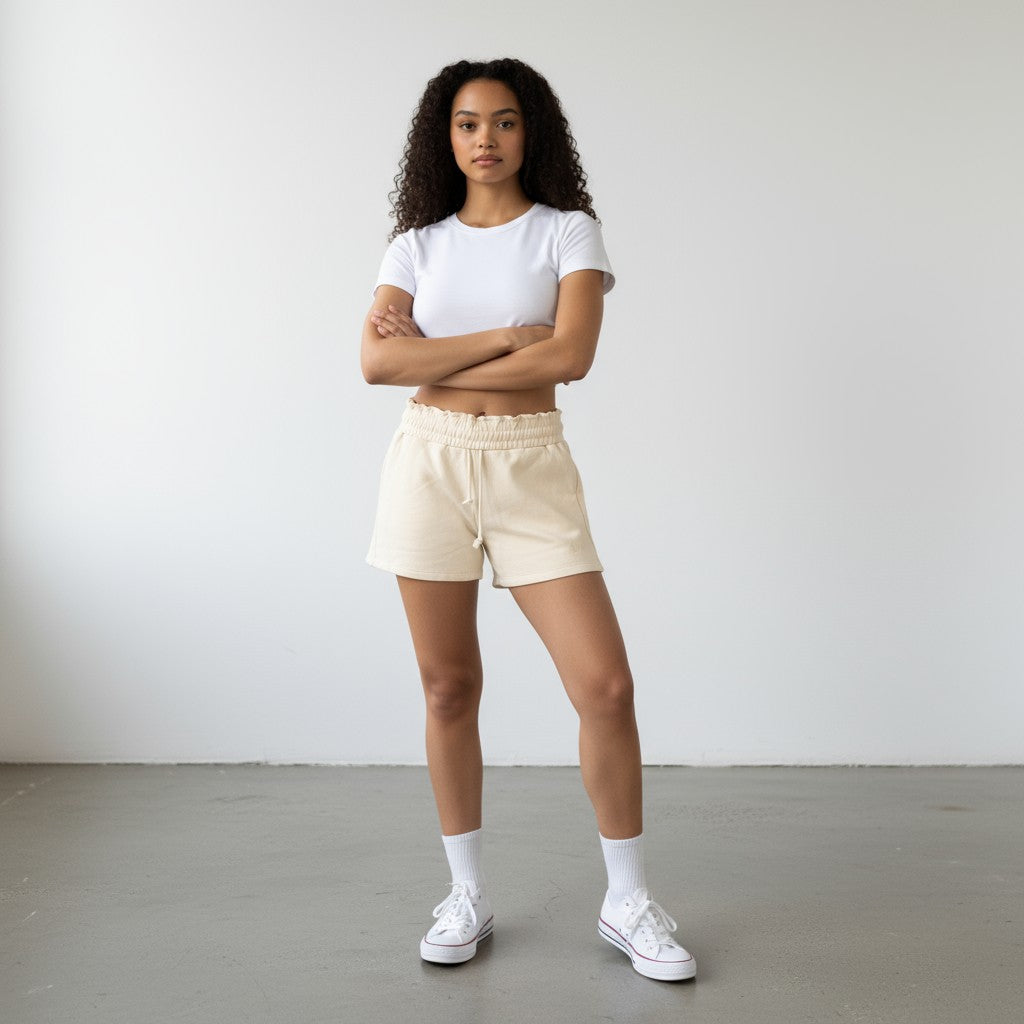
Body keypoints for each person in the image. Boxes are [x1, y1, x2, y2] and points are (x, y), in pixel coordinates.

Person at [360, 57, 696, 983]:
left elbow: (574, 356)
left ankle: (626, 898)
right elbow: (377, 368)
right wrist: (512, 337)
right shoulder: (415, 247)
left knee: (606, 687)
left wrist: (437, 352)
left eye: (505, 122)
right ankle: (465, 892)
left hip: (530, 466)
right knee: (447, 688)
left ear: (530, 133)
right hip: (426, 464)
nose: (486, 140)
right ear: (447, 138)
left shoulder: (568, 234)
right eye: (468, 124)